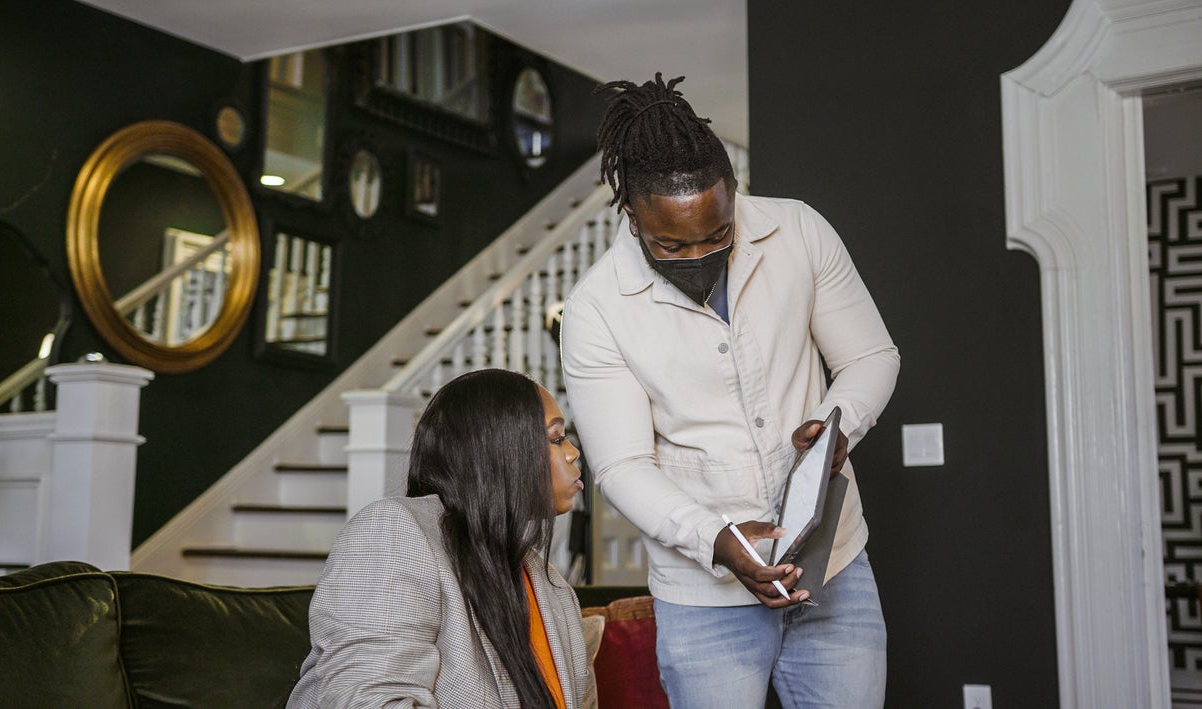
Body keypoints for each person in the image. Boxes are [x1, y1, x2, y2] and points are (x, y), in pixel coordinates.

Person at [559, 73, 899, 708]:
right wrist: (715, 540)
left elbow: (871, 357)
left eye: (718, 235)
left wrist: (836, 422)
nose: (700, 256)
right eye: (672, 244)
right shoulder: (595, 310)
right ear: (632, 216)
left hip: (835, 566)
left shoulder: (799, 231)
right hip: (703, 599)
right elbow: (623, 464)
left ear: (734, 193)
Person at [287, 369, 590, 708]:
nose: (573, 452)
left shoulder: (550, 584)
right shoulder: (394, 532)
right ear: (497, 447)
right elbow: (368, 701)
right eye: (556, 438)